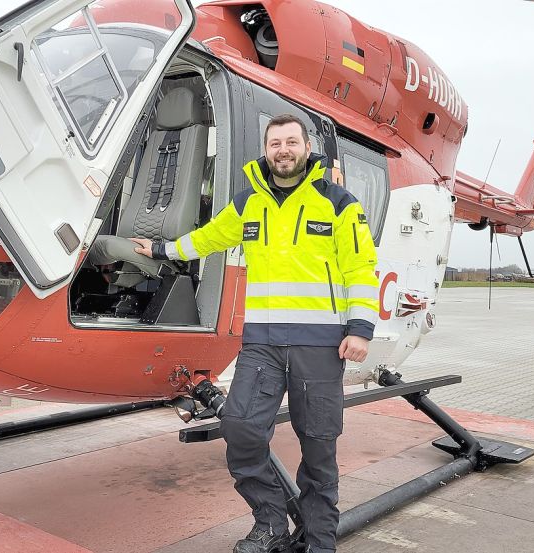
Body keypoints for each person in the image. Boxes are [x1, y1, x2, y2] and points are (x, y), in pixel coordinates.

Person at [131, 114, 378, 553]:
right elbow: (207, 239)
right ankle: (271, 523)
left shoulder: (339, 203)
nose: (283, 150)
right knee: (240, 428)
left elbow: (360, 268)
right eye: (275, 143)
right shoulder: (248, 203)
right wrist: (162, 249)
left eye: (290, 142)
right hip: (261, 343)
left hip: (319, 344)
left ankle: (321, 543)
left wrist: (359, 328)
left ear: (305, 148)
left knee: (318, 451)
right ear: (266, 150)